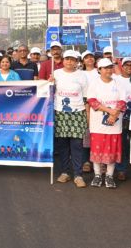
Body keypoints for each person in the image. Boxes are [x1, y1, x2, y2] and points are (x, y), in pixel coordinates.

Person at [86, 58, 128, 189]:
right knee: (97, 149)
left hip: (114, 123)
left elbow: (123, 101)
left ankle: (109, 176)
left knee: (112, 150)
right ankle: (97, 175)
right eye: (105, 68)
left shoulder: (118, 83)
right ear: (99, 70)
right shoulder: (94, 84)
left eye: (110, 67)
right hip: (97, 123)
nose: (108, 70)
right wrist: (109, 111)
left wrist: (114, 114)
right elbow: (92, 101)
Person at [52, 50, 89, 188]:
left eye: (72, 59)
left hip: (78, 113)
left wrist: (87, 115)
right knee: (62, 145)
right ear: (63, 60)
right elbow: (50, 91)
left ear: (76, 62)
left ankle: (78, 175)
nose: (69, 61)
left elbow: (86, 96)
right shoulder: (56, 73)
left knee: (77, 145)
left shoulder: (82, 75)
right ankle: (65, 172)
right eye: (67, 59)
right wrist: (49, 83)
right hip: (60, 112)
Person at [113, 58, 131, 182]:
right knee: (122, 143)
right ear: (121, 66)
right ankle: (121, 169)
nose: (129, 67)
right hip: (121, 115)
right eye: (126, 65)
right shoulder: (115, 79)